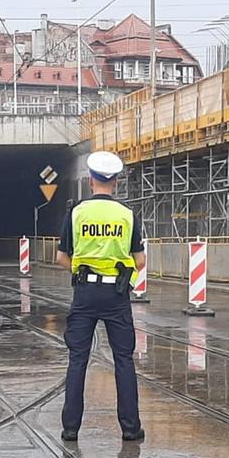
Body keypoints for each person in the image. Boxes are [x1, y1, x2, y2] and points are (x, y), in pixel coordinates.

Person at [56, 151, 146, 442]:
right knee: (123, 360)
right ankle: (130, 428)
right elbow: (140, 260)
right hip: (116, 295)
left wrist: (81, 273)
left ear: (91, 180)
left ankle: (71, 427)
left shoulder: (76, 213)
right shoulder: (127, 215)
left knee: (78, 358)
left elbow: (61, 257)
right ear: (116, 182)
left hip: (85, 294)